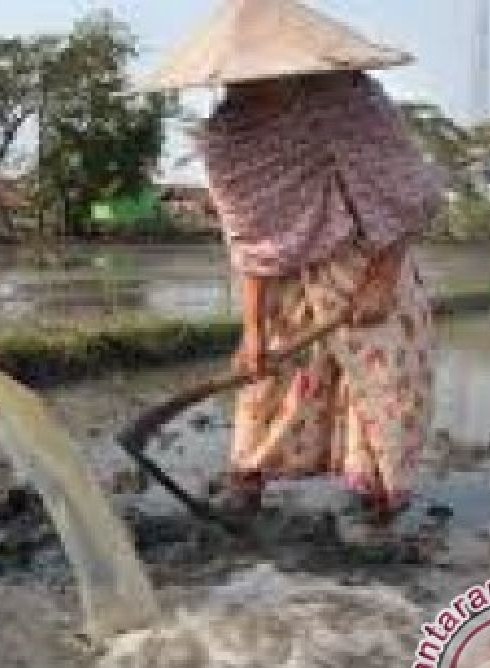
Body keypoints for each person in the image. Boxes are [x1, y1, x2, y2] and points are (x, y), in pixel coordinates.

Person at [147, 0, 443, 539]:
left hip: (369, 260)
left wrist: (381, 276)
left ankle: (379, 508)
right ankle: (246, 485)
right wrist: (253, 330)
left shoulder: (351, 102)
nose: (247, 85)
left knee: (383, 382)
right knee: (270, 381)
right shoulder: (228, 135)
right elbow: (250, 236)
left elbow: (407, 192)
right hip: (284, 280)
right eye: (237, 75)